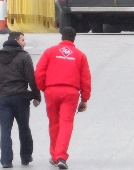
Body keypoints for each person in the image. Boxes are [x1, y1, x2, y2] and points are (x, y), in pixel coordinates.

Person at [35, 27, 92, 170]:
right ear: (74, 38)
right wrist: (84, 98)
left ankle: (54, 155)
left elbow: (39, 72)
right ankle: (61, 156)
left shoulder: (50, 52)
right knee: (66, 123)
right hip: (70, 92)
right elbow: (86, 79)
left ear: (62, 37)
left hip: (52, 90)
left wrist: (44, 88)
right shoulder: (80, 56)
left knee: (54, 123)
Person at [0, 32, 41, 168]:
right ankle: (26, 157)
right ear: (16, 41)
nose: (25, 42)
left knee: (5, 130)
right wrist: (36, 95)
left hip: (4, 99)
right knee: (24, 128)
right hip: (21, 98)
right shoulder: (23, 56)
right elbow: (31, 78)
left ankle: (6, 161)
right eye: (23, 40)